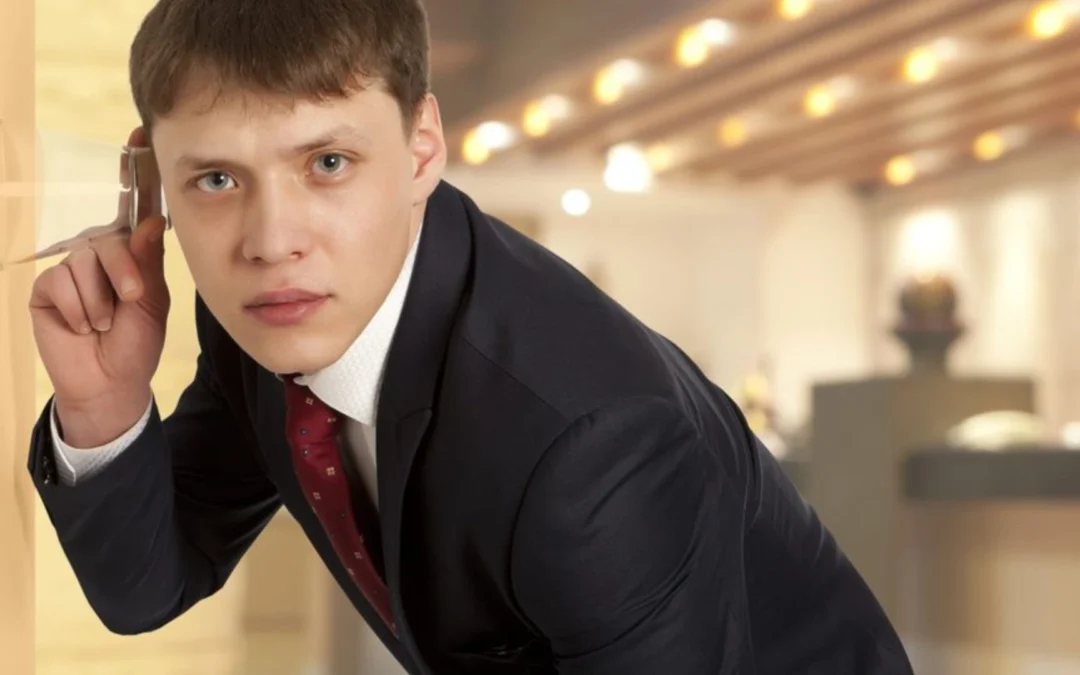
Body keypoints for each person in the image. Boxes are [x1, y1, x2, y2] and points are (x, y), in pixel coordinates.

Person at [25, 0, 915, 673]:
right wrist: (104, 406)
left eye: (327, 163)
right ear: (148, 177)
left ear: (421, 150)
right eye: (216, 178)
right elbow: (147, 589)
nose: (269, 240)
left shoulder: (589, 443)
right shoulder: (267, 328)